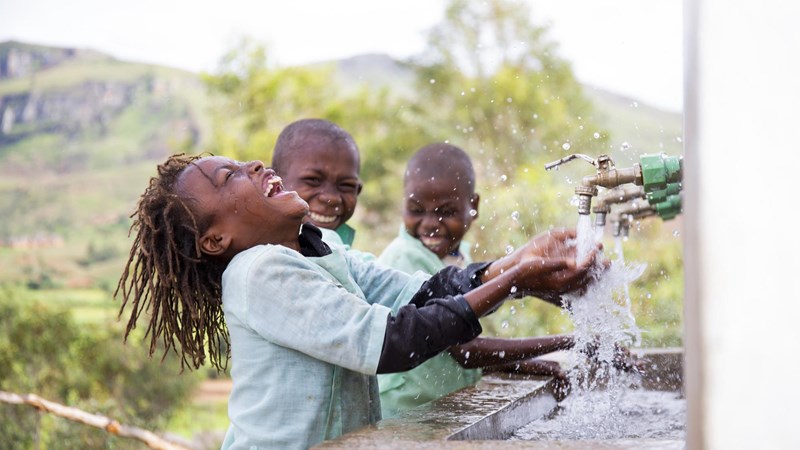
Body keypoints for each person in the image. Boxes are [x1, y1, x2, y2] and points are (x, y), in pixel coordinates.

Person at [115, 153, 600, 450]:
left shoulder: (320, 247)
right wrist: (516, 277)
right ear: (216, 240)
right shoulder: (258, 272)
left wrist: (519, 264)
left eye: (244, 163)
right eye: (230, 177)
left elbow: (422, 293)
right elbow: (392, 342)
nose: (254, 166)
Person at [378, 143, 580, 418]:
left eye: (446, 212)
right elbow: (466, 352)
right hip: (403, 416)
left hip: (435, 411)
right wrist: (568, 341)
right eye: (416, 210)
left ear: (473, 206)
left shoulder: (457, 258)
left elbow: (449, 352)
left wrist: (524, 364)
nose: (430, 223)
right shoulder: (405, 259)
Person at [271, 118, 365, 252]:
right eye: (313, 180)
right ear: (273, 182)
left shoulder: (357, 260)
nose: (331, 198)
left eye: (346, 185)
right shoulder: (255, 252)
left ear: (357, 191)